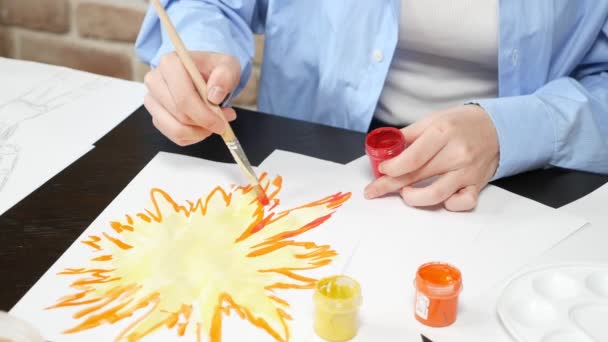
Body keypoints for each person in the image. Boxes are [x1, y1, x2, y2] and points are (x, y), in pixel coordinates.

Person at [136, 1, 608, 212]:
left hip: (522, 177)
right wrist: (197, 53)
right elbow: (210, 4)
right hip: (314, 152)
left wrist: (512, 132)